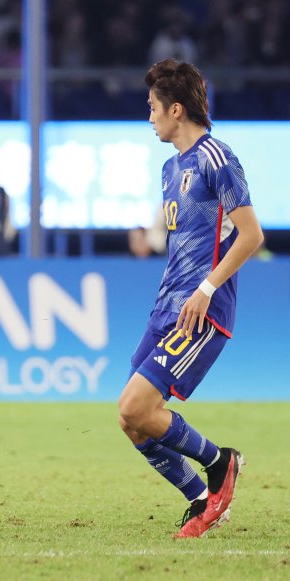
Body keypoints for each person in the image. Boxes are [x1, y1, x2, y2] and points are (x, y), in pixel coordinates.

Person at [118, 59, 263, 539]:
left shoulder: (216, 158)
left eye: (153, 107)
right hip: (169, 308)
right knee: (132, 419)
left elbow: (250, 235)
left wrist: (205, 289)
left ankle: (221, 464)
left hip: (203, 310)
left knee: (139, 407)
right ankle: (200, 498)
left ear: (176, 109)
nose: (150, 116)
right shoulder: (169, 168)